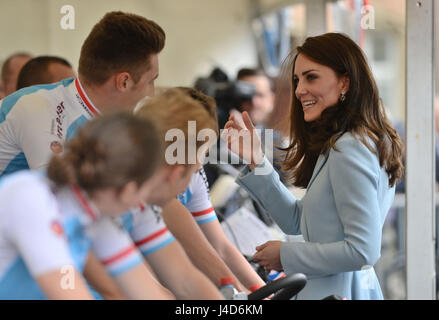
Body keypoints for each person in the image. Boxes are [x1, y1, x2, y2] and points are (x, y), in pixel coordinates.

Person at [223, 32, 403, 300]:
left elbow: (363, 251)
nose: (298, 90)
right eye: (297, 80)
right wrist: (257, 161)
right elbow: (297, 220)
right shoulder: (345, 142)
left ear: (345, 82)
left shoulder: (350, 148)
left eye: (311, 77)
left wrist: (285, 255)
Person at [0, 11, 165, 300]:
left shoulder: (106, 127)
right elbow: (64, 219)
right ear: (124, 81)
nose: (151, 93)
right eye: (151, 81)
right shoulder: (39, 109)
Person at [0, 112, 176, 299]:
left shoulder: (96, 212)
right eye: (148, 188)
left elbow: (147, 293)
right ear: (129, 191)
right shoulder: (31, 195)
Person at [153, 88, 265, 293]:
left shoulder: (191, 176)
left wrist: (263, 291)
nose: (199, 165)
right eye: (200, 153)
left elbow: (219, 248)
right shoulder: (142, 193)